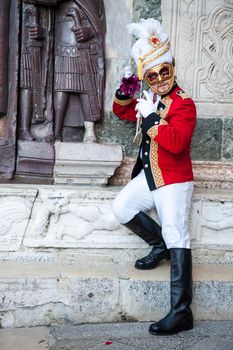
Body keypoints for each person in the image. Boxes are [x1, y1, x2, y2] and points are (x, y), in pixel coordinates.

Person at [112, 18, 196, 335]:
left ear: (171, 67)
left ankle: (181, 313)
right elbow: (120, 111)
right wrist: (126, 88)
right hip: (151, 176)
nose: (159, 79)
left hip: (174, 179)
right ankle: (158, 244)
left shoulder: (184, 103)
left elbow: (176, 143)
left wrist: (150, 119)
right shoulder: (148, 97)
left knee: (178, 235)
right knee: (121, 208)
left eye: (164, 71)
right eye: (152, 75)